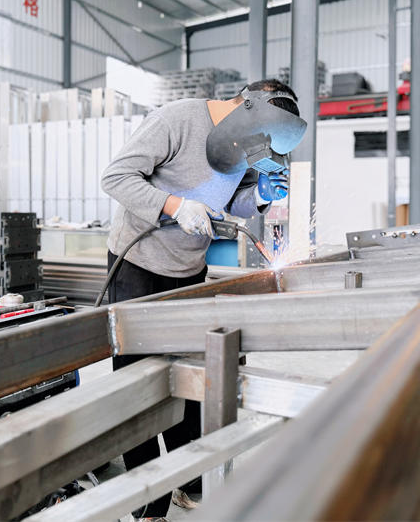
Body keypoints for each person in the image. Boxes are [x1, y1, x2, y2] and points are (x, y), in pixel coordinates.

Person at [100, 78, 306, 521]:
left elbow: (238, 200)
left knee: (192, 380)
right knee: (139, 386)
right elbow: (115, 177)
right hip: (137, 265)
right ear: (246, 107)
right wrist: (175, 206)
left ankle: (188, 479)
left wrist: (261, 196)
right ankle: (147, 501)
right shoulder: (176, 120)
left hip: (189, 271)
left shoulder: (246, 140)